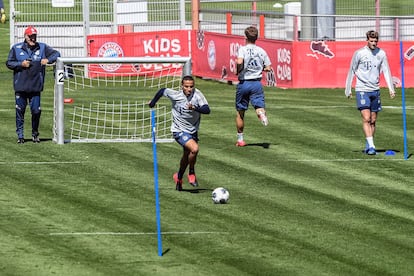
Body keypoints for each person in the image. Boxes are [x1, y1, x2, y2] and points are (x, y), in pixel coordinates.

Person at [148, 75, 210, 191]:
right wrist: (153, 102)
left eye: (191, 86)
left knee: (187, 155)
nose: (189, 89)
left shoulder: (197, 94)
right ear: (182, 86)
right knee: (194, 149)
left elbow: (207, 109)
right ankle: (191, 172)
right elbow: (162, 91)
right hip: (178, 130)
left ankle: (179, 177)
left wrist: (195, 108)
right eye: (186, 86)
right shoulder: (176, 95)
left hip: (193, 131)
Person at [6, 26, 61, 144]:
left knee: (36, 111)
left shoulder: (42, 47)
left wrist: (48, 60)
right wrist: (21, 64)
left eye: (34, 36)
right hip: (21, 86)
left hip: (36, 87)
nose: (33, 38)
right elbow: (9, 63)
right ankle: (20, 135)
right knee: (20, 111)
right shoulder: (16, 48)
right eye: (30, 36)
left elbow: (57, 53)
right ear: (25, 36)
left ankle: (35, 133)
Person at [345, 30, 395, 155]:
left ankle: (369, 144)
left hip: (375, 90)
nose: (373, 43)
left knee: (373, 120)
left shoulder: (381, 53)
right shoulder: (359, 53)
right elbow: (352, 70)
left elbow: (386, 71)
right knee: (366, 118)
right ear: (367, 40)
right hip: (362, 89)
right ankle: (372, 146)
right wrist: (348, 89)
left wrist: (391, 89)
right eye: (371, 41)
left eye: (375, 41)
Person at [235, 26, 272, 147]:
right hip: (256, 83)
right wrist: (261, 69)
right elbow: (268, 67)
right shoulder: (261, 51)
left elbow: (239, 62)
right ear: (256, 38)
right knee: (258, 106)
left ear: (245, 37)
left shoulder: (243, 49)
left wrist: (238, 70)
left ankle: (240, 139)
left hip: (244, 82)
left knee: (240, 112)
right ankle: (261, 114)